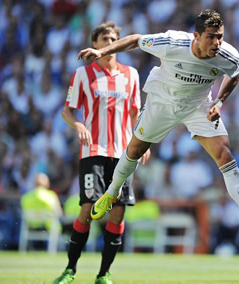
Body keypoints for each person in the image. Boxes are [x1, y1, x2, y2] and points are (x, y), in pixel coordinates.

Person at [78, 9, 239, 252]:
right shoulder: (172, 42)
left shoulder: (228, 56)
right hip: (162, 102)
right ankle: (111, 193)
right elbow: (135, 40)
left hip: (198, 106)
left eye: (220, 36)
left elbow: (235, 73)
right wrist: (101, 52)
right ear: (196, 35)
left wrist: (219, 101)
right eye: (211, 37)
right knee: (134, 150)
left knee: (225, 155)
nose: (217, 43)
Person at [54, 22, 150, 284]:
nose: (109, 42)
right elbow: (67, 110)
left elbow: (135, 113)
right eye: (104, 38)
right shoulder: (83, 75)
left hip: (123, 154)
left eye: (113, 38)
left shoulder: (131, 74)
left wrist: (143, 142)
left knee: (118, 212)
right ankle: (70, 269)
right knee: (87, 209)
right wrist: (78, 125)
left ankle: (103, 274)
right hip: (93, 151)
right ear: (94, 44)